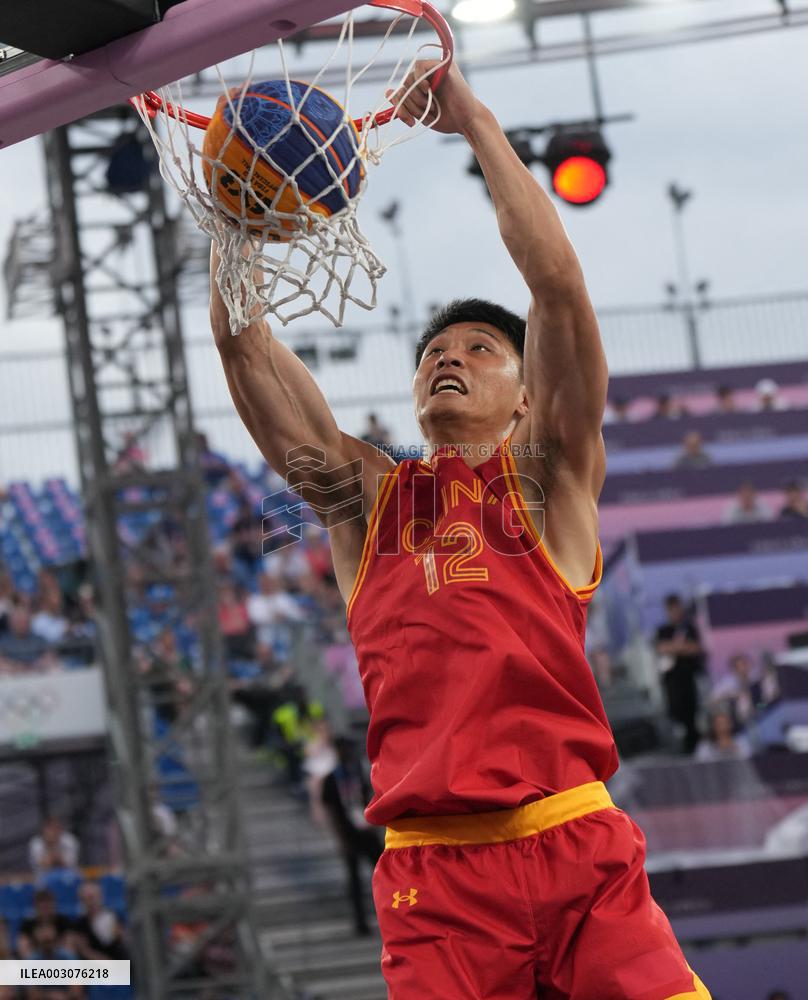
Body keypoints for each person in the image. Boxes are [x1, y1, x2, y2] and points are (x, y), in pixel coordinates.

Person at [210, 60, 711, 1000]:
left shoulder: (549, 476)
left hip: (575, 846)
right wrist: (237, 223)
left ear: (524, 399)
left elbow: (557, 288)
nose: (451, 357)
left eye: (481, 350)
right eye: (435, 352)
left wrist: (474, 120)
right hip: (435, 877)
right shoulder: (365, 501)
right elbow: (245, 351)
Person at [320, 736, 384, 937]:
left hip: (367, 830)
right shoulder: (332, 779)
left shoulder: (361, 773)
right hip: (349, 834)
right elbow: (331, 810)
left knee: (384, 874)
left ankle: (392, 914)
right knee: (354, 881)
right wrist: (339, 838)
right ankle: (360, 923)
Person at [654, 594, 706, 755]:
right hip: (672, 681)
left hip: (689, 678)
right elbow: (661, 648)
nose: (675, 612)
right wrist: (682, 647)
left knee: (692, 711)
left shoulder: (689, 628)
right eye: (672, 609)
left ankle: (694, 744)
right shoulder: (663, 630)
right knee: (675, 711)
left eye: (677, 608)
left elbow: (696, 648)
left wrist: (674, 648)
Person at [72, 881, 129, 960]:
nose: (89, 902)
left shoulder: (114, 917)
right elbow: (85, 951)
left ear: (100, 897)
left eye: (91, 898)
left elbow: (124, 941)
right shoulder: (79, 925)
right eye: (84, 899)